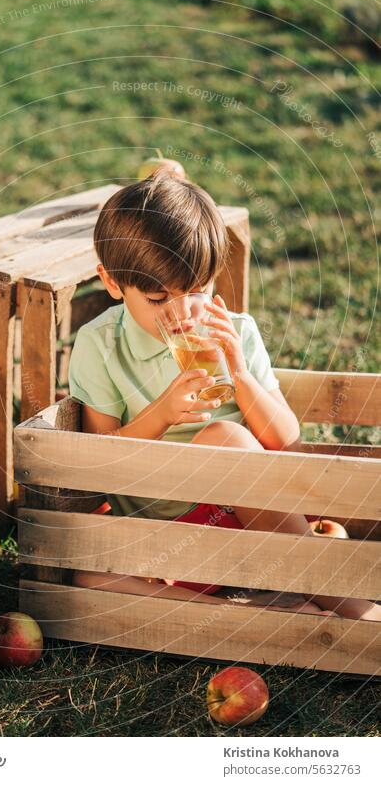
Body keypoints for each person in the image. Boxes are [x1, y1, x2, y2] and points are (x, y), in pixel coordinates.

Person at [68, 170, 380, 621]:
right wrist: (162, 415)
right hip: (169, 538)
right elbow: (104, 466)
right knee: (89, 579)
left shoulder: (236, 332)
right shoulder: (100, 346)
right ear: (113, 283)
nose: (182, 313)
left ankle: (345, 603)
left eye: (197, 291)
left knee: (225, 438)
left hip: (256, 519)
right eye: (158, 299)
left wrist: (241, 374)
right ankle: (238, 608)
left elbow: (286, 442)